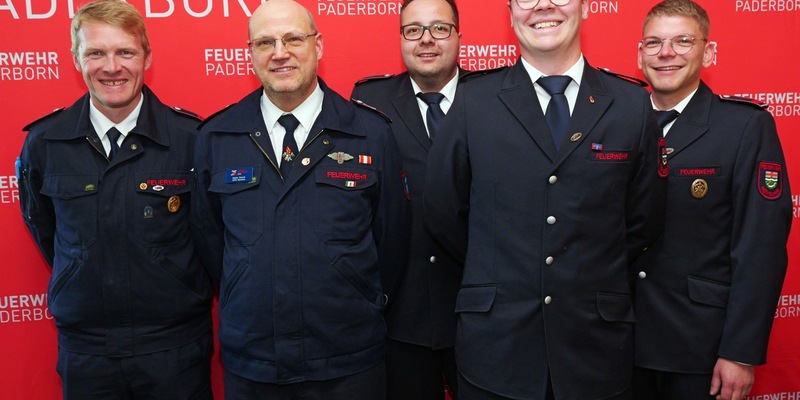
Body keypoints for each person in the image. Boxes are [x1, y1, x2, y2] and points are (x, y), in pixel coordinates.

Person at [423, 0, 667, 398]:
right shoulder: (474, 102)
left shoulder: (631, 104)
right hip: (496, 350)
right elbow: (443, 212)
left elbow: (643, 221)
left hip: (595, 350)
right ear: (510, 12)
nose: (542, 6)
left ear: (586, 8)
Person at [190, 0, 411, 399]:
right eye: (264, 42)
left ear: (318, 46)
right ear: (249, 53)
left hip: (348, 361)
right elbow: (210, 243)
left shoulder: (370, 133)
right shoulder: (217, 137)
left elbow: (391, 241)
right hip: (254, 362)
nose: (280, 53)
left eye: (293, 38)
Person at [16, 0, 213, 398]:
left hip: (174, 347)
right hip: (86, 349)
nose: (111, 67)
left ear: (147, 57)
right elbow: (45, 230)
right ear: (76, 59)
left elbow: (211, 236)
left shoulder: (192, 139)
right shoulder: (45, 142)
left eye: (125, 51)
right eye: (96, 53)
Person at [632, 1, 792, 400]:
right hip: (618, 344)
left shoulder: (744, 127)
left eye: (683, 41)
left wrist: (740, 352)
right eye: (654, 43)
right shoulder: (617, 123)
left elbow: (761, 248)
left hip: (700, 348)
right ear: (639, 55)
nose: (666, 53)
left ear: (709, 51)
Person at [350, 0, 463, 398]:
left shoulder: (493, 99)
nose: (426, 40)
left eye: (439, 29)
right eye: (413, 30)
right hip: (400, 313)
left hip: (479, 313)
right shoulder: (368, 103)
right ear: (400, 39)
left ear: (459, 36)